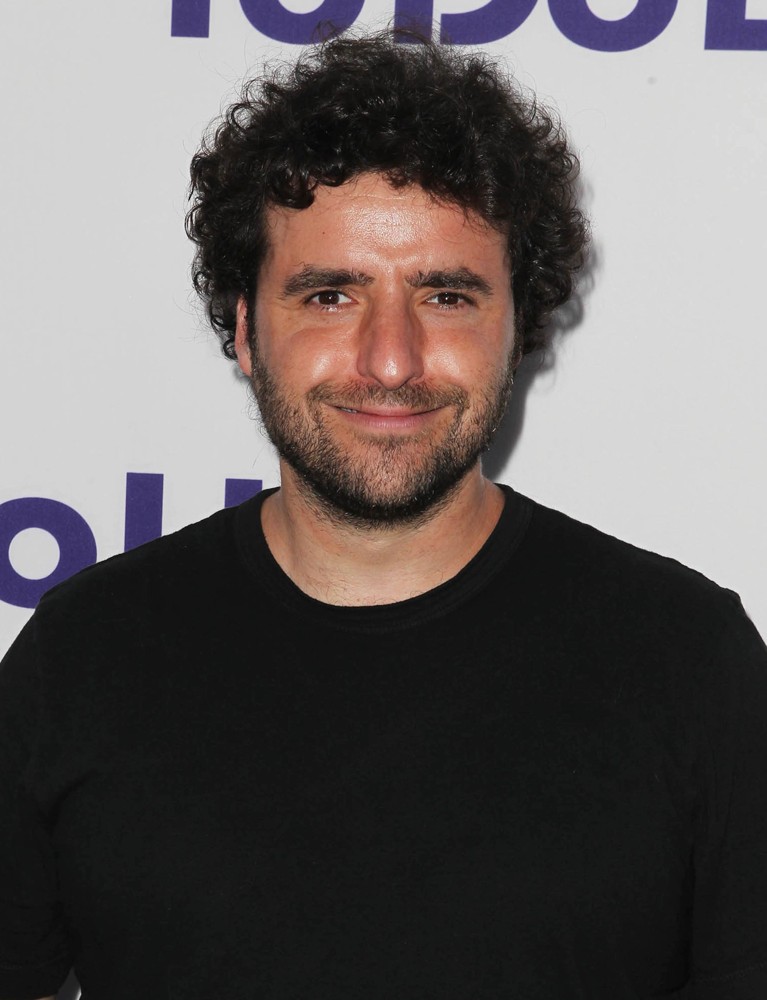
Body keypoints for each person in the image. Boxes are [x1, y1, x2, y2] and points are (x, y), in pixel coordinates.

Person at [1, 29, 766, 1000]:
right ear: (246, 329)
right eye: (330, 295)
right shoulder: (83, 654)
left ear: (516, 328)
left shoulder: (688, 662)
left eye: (445, 295)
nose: (391, 359)